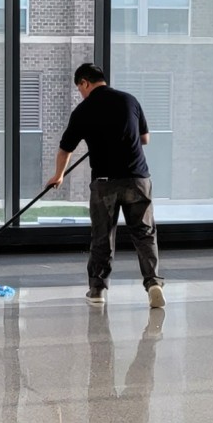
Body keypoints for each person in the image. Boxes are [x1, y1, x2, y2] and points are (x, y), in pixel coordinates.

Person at [47, 62, 163, 309]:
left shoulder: (83, 110)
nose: (81, 92)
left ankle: (97, 290)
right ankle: (153, 283)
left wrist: (59, 176)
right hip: (137, 179)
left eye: (80, 88)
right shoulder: (129, 100)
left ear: (85, 83)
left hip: (104, 183)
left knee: (102, 236)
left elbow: (65, 149)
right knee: (144, 234)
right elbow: (145, 139)